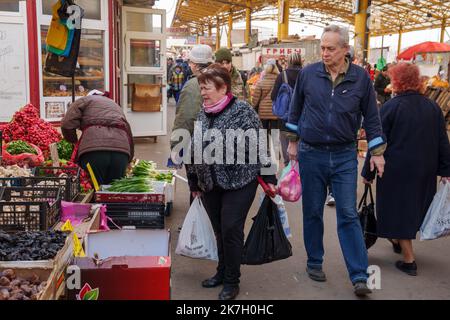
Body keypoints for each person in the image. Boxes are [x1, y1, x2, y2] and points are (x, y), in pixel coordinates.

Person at [287, 25, 386, 297]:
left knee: (347, 214)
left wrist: (377, 155)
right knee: (313, 211)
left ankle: (359, 275)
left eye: (331, 48)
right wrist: (293, 142)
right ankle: (314, 261)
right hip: (312, 153)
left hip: (344, 155)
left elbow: (372, 119)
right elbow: (295, 110)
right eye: (322, 47)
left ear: (345, 50)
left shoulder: (361, 78)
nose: (325, 53)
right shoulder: (308, 74)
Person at [187, 64, 277, 300]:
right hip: (210, 182)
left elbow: (260, 144)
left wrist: (269, 177)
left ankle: (231, 281)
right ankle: (221, 271)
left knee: (231, 228)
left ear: (223, 87)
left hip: (241, 180)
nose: (203, 93)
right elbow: (194, 149)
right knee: (219, 230)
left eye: (207, 88)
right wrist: (194, 181)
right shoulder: (202, 113)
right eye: (201, 88)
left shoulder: (243, 111)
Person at [362, 63, 450, 276]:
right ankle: (397, 240)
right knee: (412, 208)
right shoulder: (433, 107)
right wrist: (446, 170)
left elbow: (377, 142)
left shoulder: (391, 108)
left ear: (397, 82)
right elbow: (442, 141)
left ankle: (409, 260)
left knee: (399, 210)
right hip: (424, 170)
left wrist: (368, 172)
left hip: (396, 170)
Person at [61, 90, 134, 185]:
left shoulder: (84, 100)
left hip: (94, 153)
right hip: (121, 153)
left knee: (95, 190)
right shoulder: (115, 105)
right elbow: (128, 133)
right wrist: (129, 158)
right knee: (114, 191)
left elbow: (67, 124)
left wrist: (73, 141)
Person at [170, 45, 213, 202]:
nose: (189, 65)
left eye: (191, 62)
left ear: (195, 64)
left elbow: (187, 118)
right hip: (221, 144)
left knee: (197, 189)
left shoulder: (194, 84)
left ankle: (196, 225)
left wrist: (177, 146)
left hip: (200, 144)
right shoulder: (222, 79)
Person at [271, 52, 303, 166]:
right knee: (301, 157)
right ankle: (300, 179)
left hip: (285, 121)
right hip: (302, 120)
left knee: (287, 155)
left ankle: (289, 180)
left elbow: (273, 96)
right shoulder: (305, 74)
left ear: (288, 62)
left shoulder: (282, 75)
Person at [251, 59, 280, 132]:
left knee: (263, 135)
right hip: (275, 112)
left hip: (263, 112)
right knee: (275, 135)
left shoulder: (261, 82)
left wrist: (253, 107)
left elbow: (255, 99)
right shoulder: (280, 81)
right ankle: (275, 144)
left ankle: (264, 143)